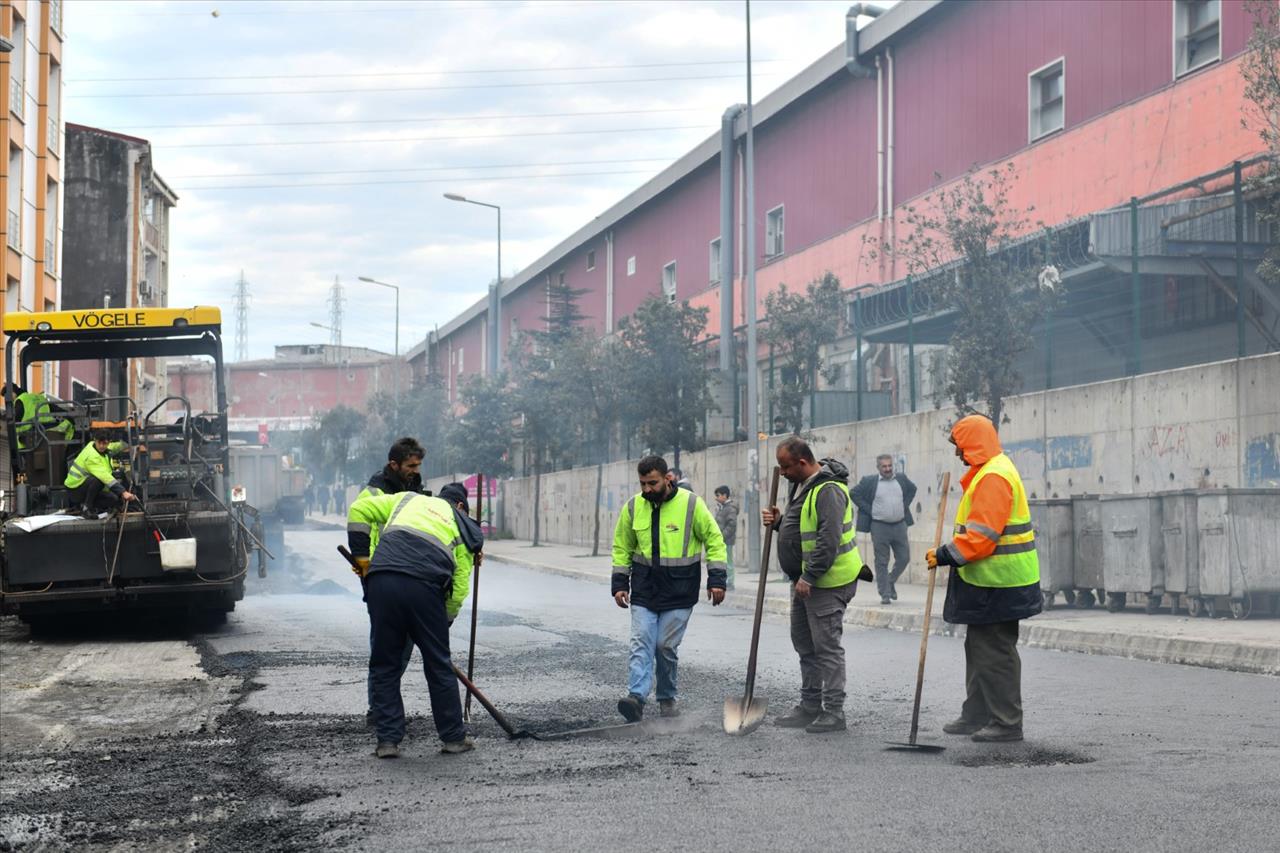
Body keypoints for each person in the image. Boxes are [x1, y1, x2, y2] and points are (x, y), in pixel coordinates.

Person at [927, 414, 1042, 743]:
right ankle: (976, 713)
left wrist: (945, 554)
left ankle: (1006, 722)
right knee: (979, 648)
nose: (958, 454)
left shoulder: (994, 476)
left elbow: (981, 537)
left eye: (960, 446)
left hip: (1000, 581)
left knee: (994, 651)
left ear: (974, 444)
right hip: (989, 580)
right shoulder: (988, 472)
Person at [348, 489, 484, 758]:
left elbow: (358, 511)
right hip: (426, 588)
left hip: (382, 580)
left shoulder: (406, 498)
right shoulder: (464, 528)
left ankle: (387, 742)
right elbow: (457, 591)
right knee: (438, 665)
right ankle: (454, 739)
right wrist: (440, 625)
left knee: (385, 664)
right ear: (460, 506)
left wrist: (363, 562)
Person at [761, 436, 870, 734]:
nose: (782, 473)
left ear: (802, 462)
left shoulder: (829, 490)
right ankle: (810, 705)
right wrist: (782, 522)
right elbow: (803, 529)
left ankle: (834, 712)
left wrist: (810, 576)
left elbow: (828, 539)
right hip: (804, 582)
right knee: (805, 645)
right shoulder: (802, 486)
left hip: (826, 582)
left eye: (785, 467)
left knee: (826, 648)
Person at [612, 455, 728, 721]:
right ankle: (636, 698)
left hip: (680, 590)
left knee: (664, 646)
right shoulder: (633, 507)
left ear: (668, 479)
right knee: (641, 641)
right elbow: (622, 547)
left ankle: (667, 698)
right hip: (644, 589)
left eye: (652, 483)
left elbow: (714, 540)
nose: (647, 489)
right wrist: (619, 583)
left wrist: (717, 579)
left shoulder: (691, 505)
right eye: (642, 484)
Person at [355, 437, 427, 727]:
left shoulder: (416, 490)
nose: (415, 470)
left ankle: (383, 704)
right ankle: (378, 708)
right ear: (393, 464)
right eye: (410, 465)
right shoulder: (374, 492)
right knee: (385, 649)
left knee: (403, 649)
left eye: (418, 465)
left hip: (412, 577)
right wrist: (365, 564)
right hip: (383, 578)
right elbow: (358, 523)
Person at [852, 454, 917, 605]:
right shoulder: (870, 481)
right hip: (879, 526)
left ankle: (890, 580)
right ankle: (885, 593)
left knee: (904, 558)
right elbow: (854, 493)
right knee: (882, 560)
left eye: (889, 466)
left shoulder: (901, 479)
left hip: (900, 525)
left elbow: (912, 489)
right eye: (884, 466)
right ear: (878, 467)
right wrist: (869, 510)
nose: (887, 469)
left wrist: (904, 505)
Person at [64, 429, 137, 518]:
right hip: (75, 490)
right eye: (100, 443)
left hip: (85, 488)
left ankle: (89, 507)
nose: (102, 446)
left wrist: (128, 443)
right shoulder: (91, 456)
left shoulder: (101, 447)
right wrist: (123, 492)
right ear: (95, 440)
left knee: (113, 499)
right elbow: (104, 476)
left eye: (105, 443)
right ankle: (86, 509)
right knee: (98, 480)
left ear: (109, 442)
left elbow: (115, 447)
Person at [6, 382, 75, 450]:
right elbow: (56, 409)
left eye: (7, 396)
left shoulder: (20, 400)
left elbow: (16, 420)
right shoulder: (39, 397)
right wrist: (69, 416)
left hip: (31, 435)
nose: (9, 399)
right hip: (49, 431)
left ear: (13, 392)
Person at [713, 485, 739, 591]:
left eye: (718, 495)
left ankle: (730, 582)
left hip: (727, 540)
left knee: (728, 562)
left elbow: (731, 525)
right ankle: (725, 580)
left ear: (725, 496)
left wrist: (722, 536)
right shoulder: (722, 507)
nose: (716, 498)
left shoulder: (730, 508)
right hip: (721, 539)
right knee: (723, 561)